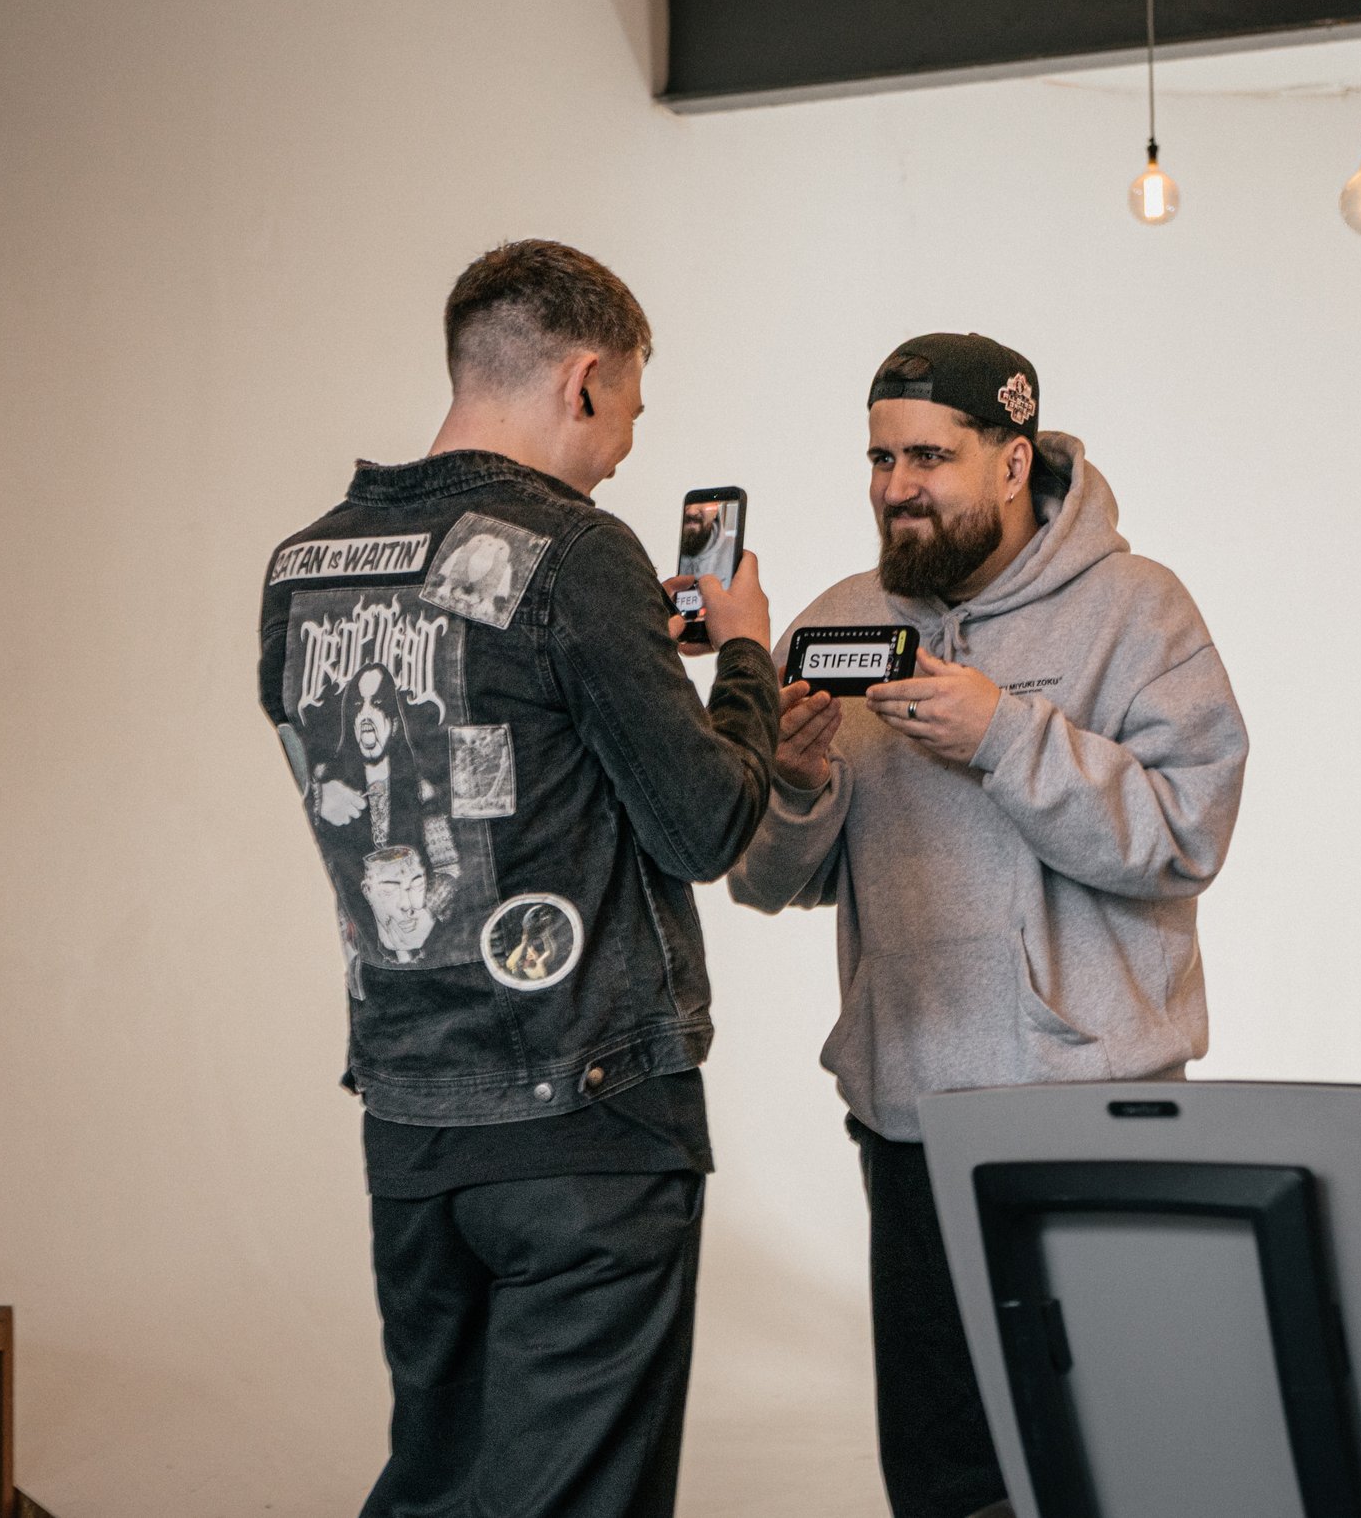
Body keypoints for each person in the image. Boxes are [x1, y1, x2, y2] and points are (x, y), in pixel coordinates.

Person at [257, 239, 782, 1518]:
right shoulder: (575, 551)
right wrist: (747, 662)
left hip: (415, 1118)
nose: (626, 451)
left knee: (444, 1481)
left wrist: (617, 668)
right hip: (587, 1116)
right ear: (586, 379)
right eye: (632, 413)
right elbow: (705, 824)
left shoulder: (303, 567)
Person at [731, 332, 1250, 1518]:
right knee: (947, 1475)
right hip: (910, 1116)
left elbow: (1185, 834)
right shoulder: (835, 619)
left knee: (1118, 1453)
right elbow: (770, 878)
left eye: (930, 455)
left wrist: (1003, 734)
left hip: (1096, 1112)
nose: (895, 484)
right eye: (878, 457)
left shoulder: (1137, 609)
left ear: (1013, 461)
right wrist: (798, 779)